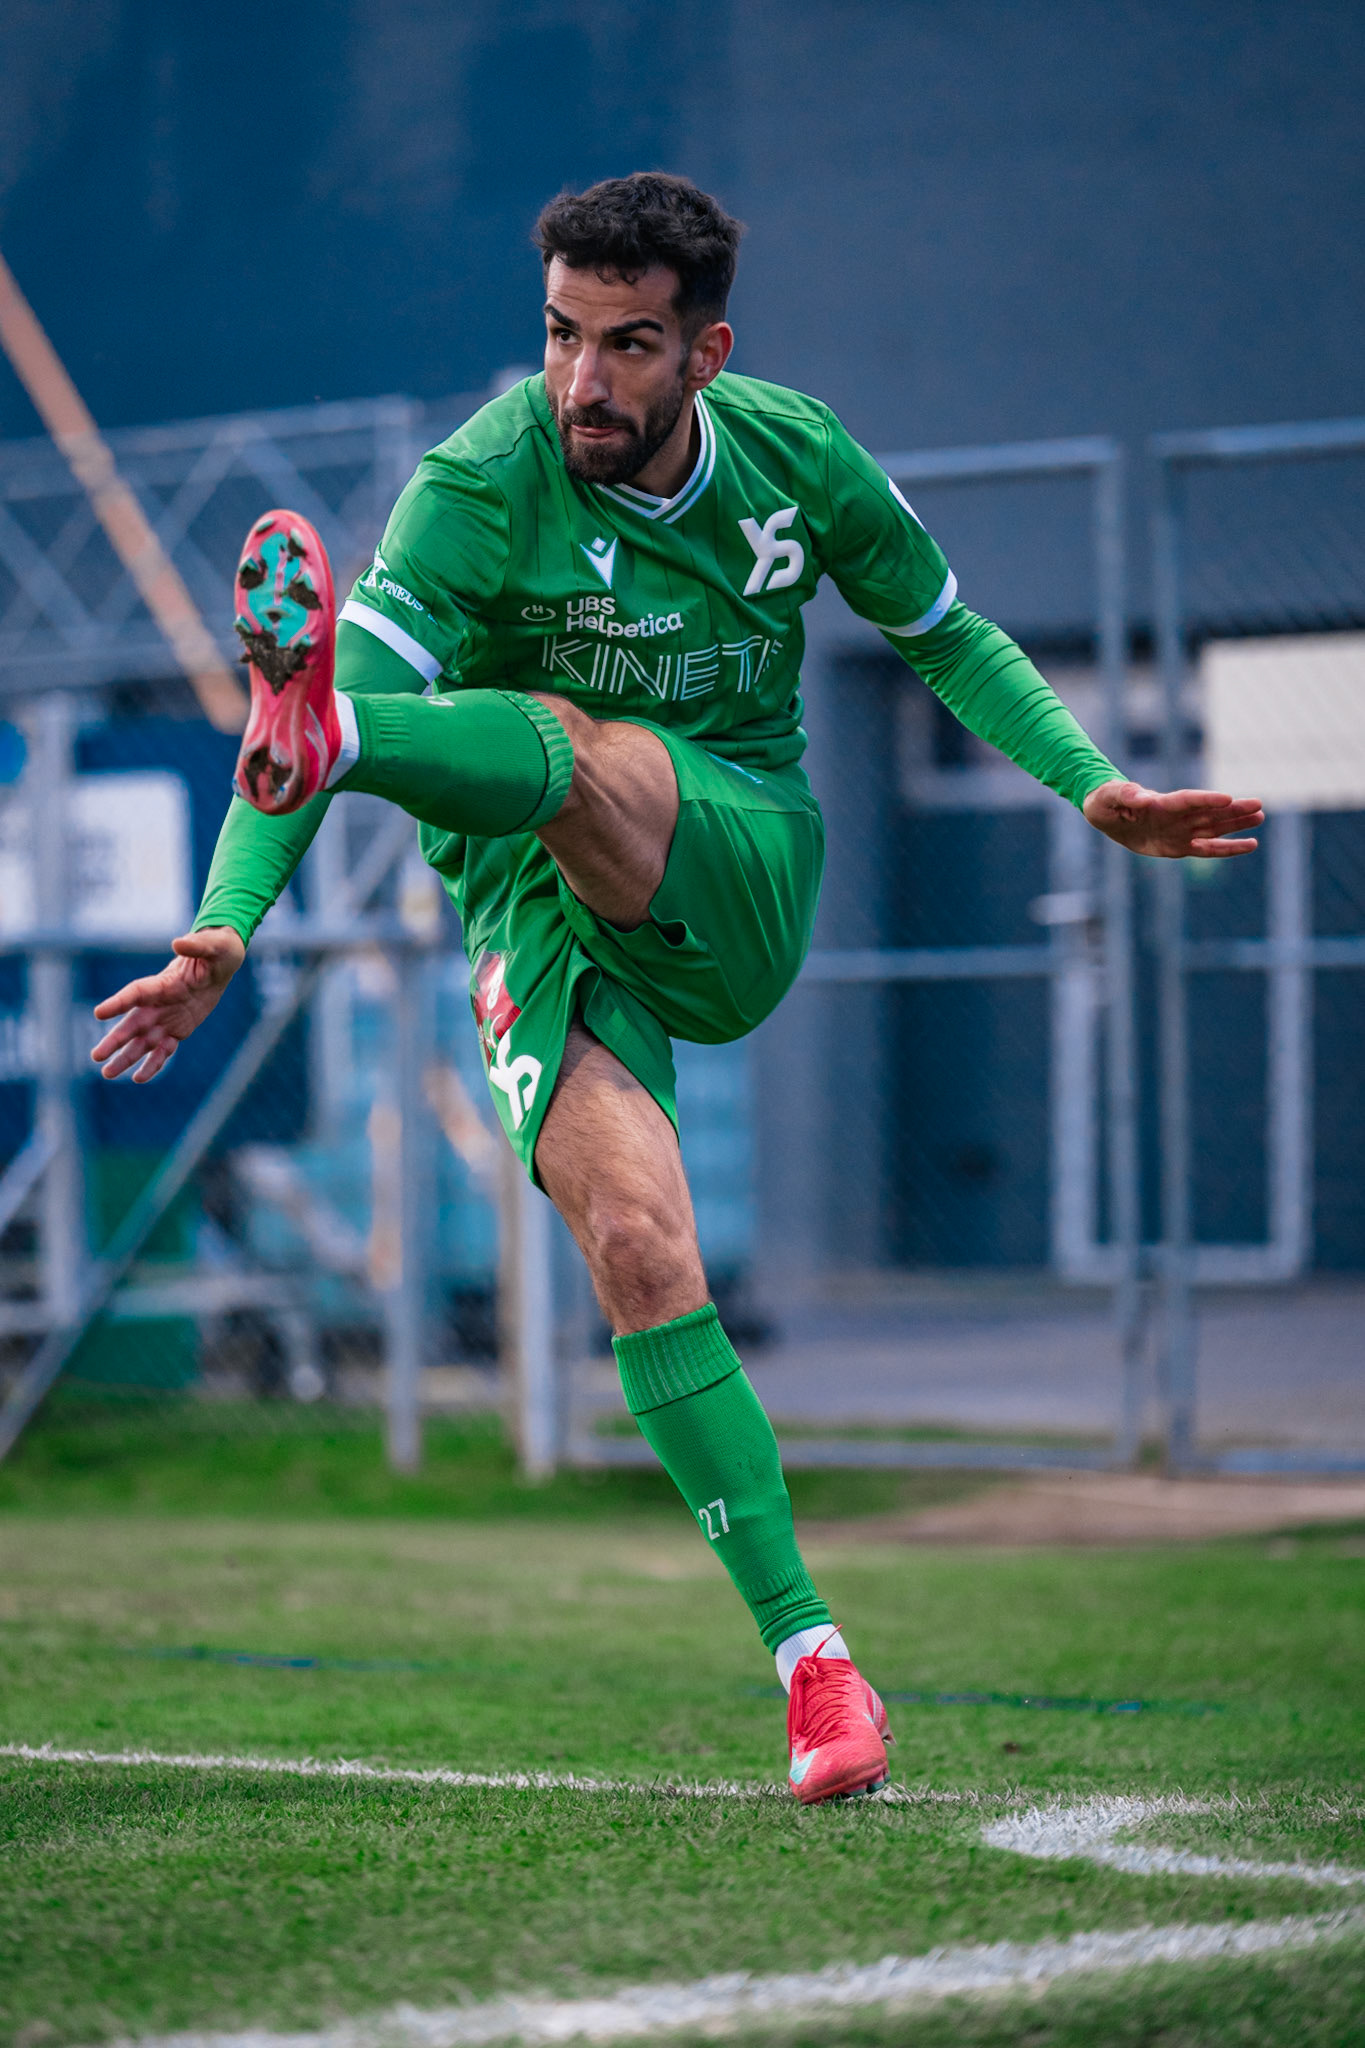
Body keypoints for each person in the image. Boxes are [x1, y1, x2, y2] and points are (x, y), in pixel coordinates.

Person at [90, 173, 1262, 1804]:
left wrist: (1091, 786)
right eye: (562, 337)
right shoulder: (479, 479)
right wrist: (224, 928)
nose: (582, 381)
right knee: (637, 1247)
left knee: (567, 750)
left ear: (705, 351)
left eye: (627, 345)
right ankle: (815, 1671)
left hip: (733, 844)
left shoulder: (796, 454)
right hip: (525, 898)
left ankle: (361, 750)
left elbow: (945, 634)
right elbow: (295, 722)